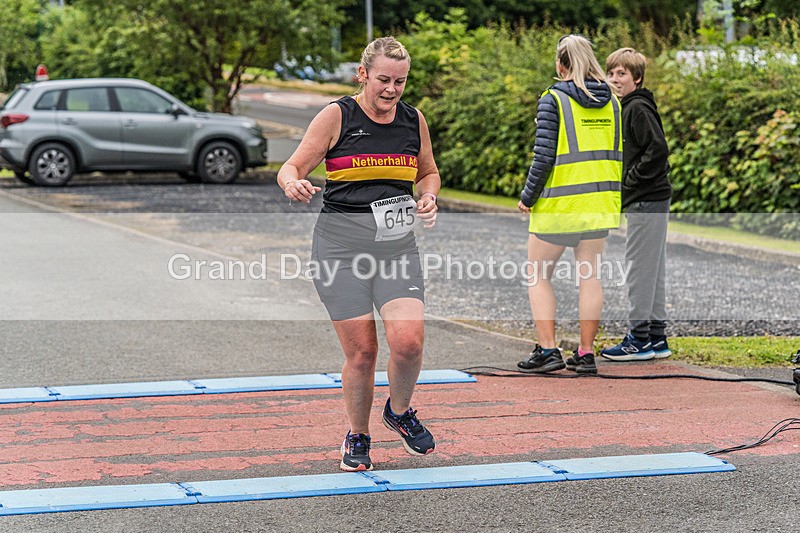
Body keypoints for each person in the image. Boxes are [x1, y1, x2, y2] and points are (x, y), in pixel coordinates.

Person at [277, 37, 440, 472]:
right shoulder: (337, 116)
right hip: (340, 251)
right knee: (363, 352)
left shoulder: (413, 120)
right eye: (384, 79)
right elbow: (291, 166)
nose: (391, 90)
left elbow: (428, 171)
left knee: (408, 343)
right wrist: (292, 182)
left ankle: (399, 412)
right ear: (363, 74)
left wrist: (428, 197)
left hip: (396, 248)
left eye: (400, 82)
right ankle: (357, 434)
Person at [517, 35, 622, 375]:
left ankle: (548, 350)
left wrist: (528, 196)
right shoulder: (613, 102)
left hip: (561, 205)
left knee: (537, 273)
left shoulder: (554, 99)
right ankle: (586, 353)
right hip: (599, 202)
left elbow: (544, 155)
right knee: (589, 275)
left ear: (561, 65)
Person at [601, 47, 672, 362]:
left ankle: (639, 338)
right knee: (653, 270)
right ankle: (656, 337)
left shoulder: (636, 108)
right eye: (612, 73)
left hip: (647, 199)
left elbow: (657, 149)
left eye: (622, 74)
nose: (615, 79)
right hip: (649, 199)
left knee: (639, 269)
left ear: (637, 78)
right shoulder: (625, 106)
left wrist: (630, 180)